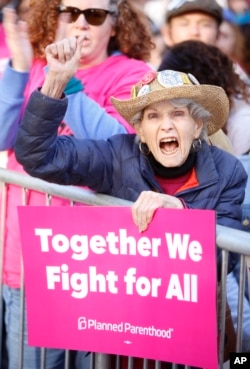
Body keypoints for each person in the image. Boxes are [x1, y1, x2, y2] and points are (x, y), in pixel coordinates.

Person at [14, 34, 247, 365]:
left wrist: (182, 214)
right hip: (131, 332)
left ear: (197, 126)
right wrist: (54, 84)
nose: (166, 125)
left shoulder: (228, 170)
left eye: (178, 114)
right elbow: (36, 156)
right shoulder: (115, 155)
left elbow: (229, 258)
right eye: (153, 116)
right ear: (140, 130)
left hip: (194, 332)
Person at [0, 1, 154, 368]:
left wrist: (66, 83)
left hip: (95, 267)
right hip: (27, 262)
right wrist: (21, 67)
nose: (81, 23)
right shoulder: (36, 66)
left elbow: (118, 149)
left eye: (95, 14)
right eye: (70, 12)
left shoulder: (134, 74)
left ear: (115, 25)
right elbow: (4, 136)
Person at [157, 39, 250, 352]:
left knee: (232, 329)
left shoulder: (217, 138)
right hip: (180, 281)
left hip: (209, 272)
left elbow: (226, 215)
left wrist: (182, 209)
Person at [160, 0, 234, 153]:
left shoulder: (240, 89)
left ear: (219, 35)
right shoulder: (149, 81)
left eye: (205, 24)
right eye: (184, 24)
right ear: (167, 34)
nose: (194, 31)